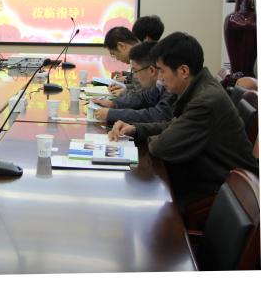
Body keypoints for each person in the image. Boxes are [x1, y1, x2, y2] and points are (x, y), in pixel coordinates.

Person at [109, 32, 258, 210]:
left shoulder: (205, 101)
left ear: (183, 71)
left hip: (224, 192)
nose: (159, 78)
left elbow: (161, 147)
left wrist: (156, 137)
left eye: (162, 71)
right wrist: (136, 129)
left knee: (140, 199)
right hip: (210, 176)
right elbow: (176, 124)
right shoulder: (199, 87)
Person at [92, 40, 175, 124]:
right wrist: (113, 104)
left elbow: (156, 115)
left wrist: (112, 114)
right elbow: (142, 98)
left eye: (135, 71)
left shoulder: (170, 88)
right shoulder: (159, 85)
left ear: (151, 70)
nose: (134, 76)